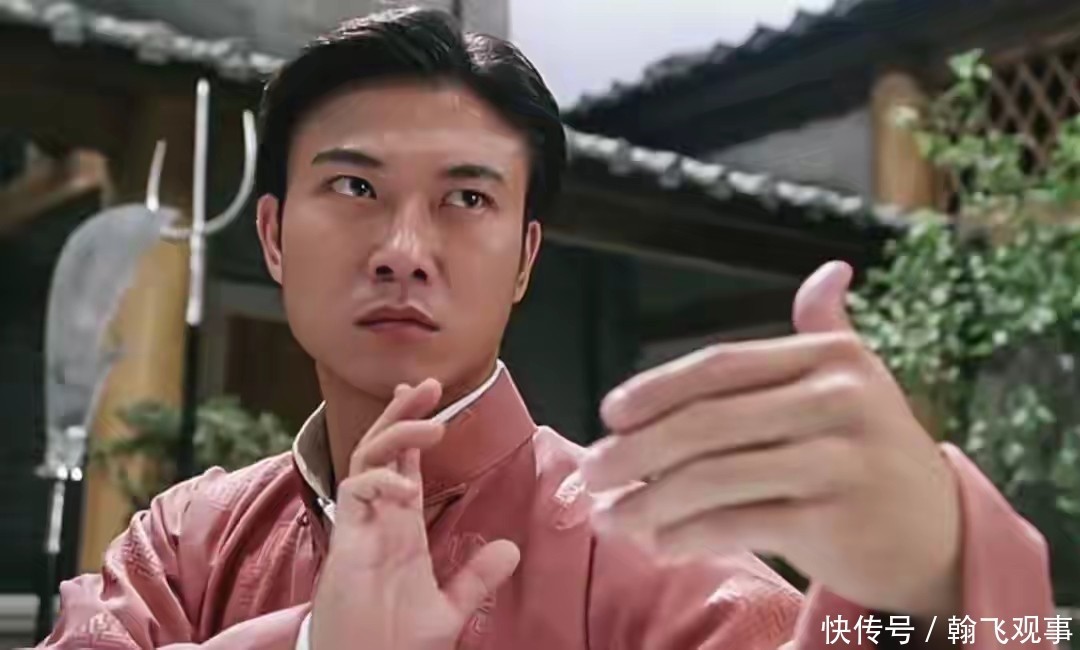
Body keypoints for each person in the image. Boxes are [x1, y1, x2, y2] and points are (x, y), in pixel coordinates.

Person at [37, 7, 1054, 650]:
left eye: (465, 199)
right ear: (271, 234)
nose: (403, 248)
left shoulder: (661, 564)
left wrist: (940, 590)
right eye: (354, 186)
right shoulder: (186, 540)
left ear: (525, 258)